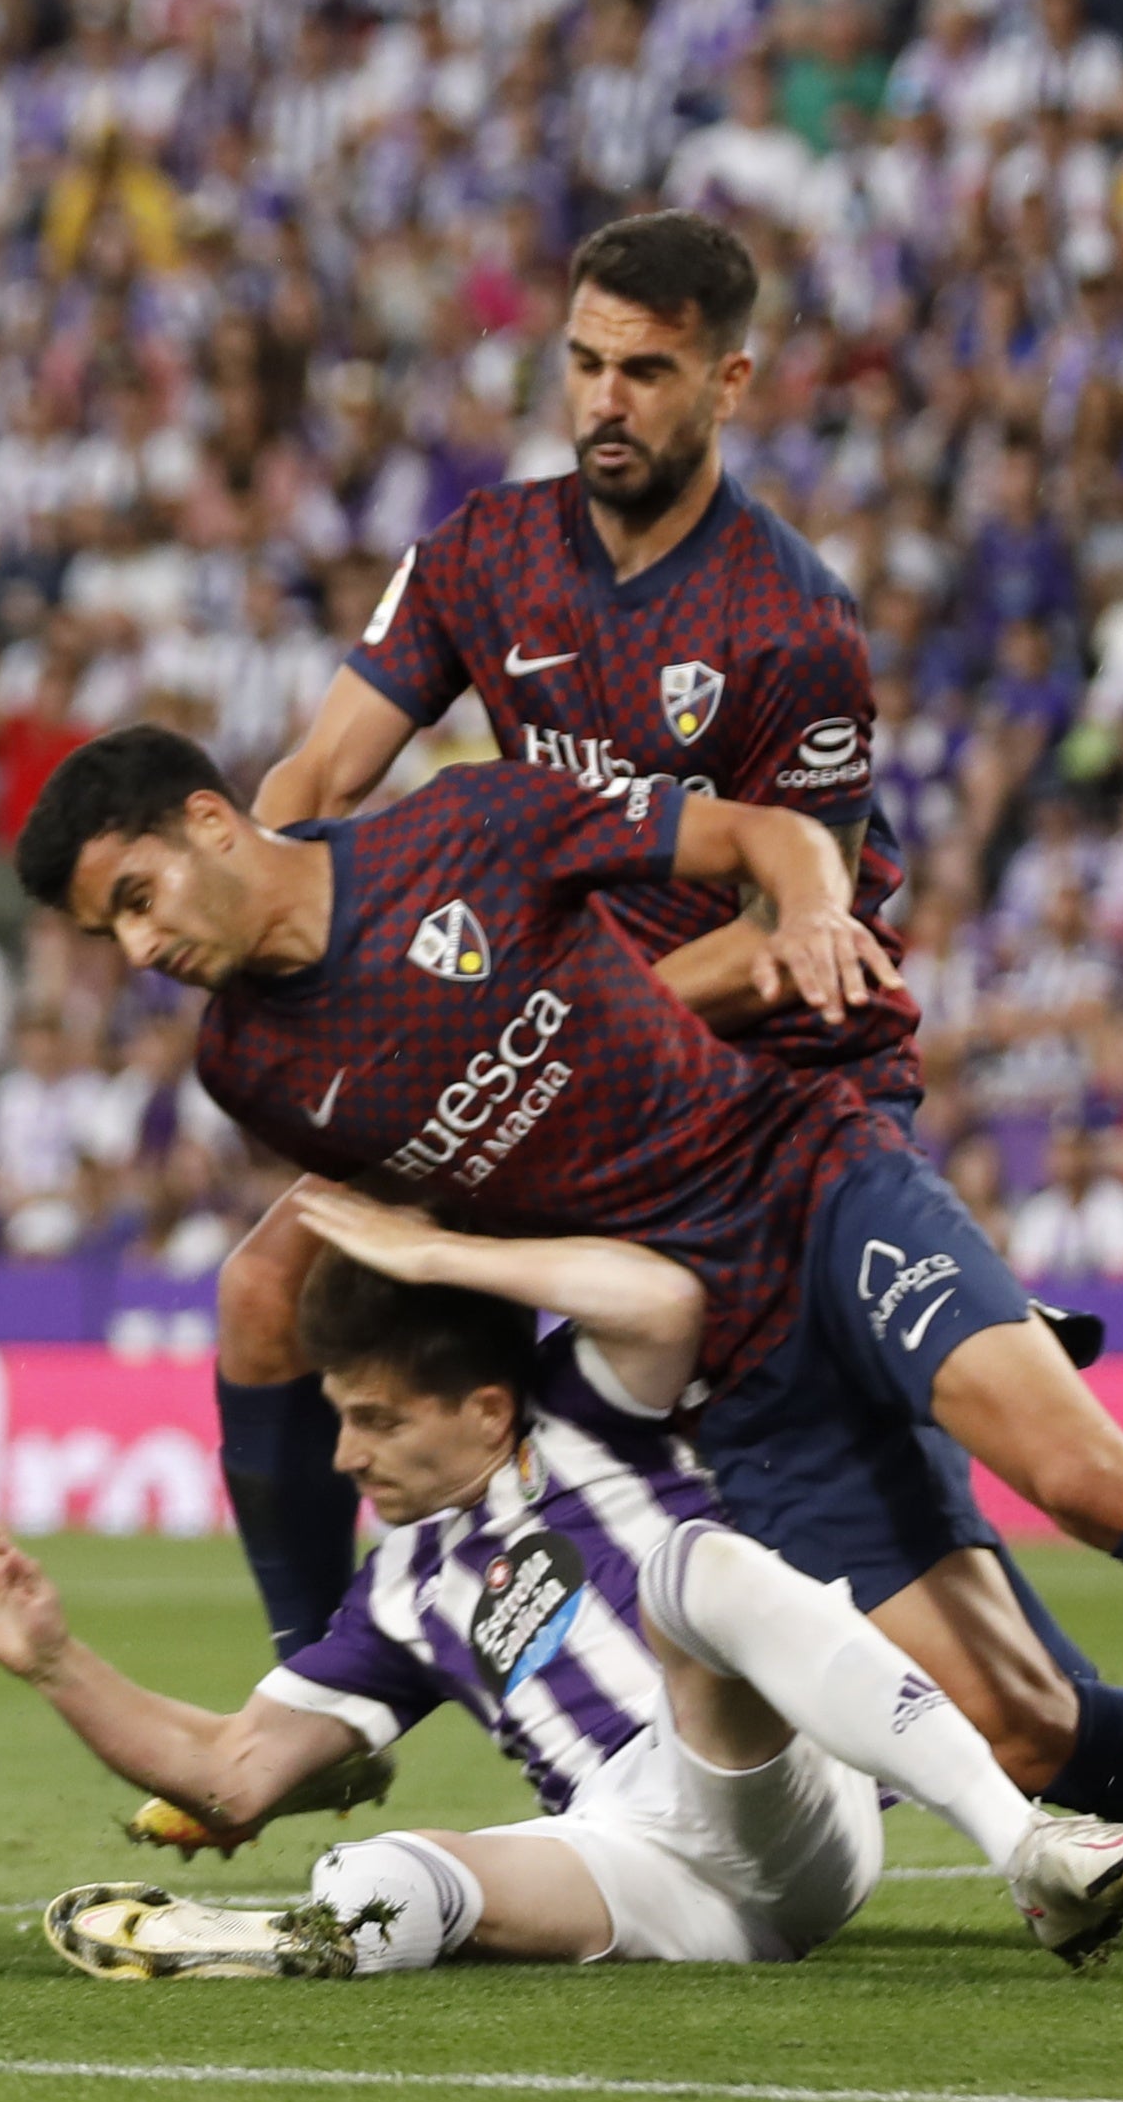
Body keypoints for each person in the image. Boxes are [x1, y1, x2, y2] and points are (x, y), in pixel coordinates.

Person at [10, 727, 1123, 1961]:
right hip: (716, 1344)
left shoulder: (470, 822)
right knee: (1022, 1720)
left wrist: (817, 906)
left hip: (812, 1179)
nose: (137, 946)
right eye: (107, 930)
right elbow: (442, 1230)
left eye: (135, 895)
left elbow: (756, 832)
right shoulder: (252, 1065)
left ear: (212, 823)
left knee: (1074, 1467)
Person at [225, 214, 925, 1662]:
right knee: (263, 1286)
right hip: (537, 1051)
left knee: (914, 1608)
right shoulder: (483, 549)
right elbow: (313, 781)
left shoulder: (790, 619)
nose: (603, 399)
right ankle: (308, 1673)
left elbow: (801, 920)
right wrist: (259, 913)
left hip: (745, 1071)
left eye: (645, 371)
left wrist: (560, 1029)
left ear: (730, 382)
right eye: (584, 363)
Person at [0, 1230, 1123, 1978]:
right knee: (383, 1867)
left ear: (483, 1410)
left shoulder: (592, 1408)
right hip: (637, 1863)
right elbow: (231, 1772)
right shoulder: (403, 1591)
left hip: (768, 1789)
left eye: (373, 1421)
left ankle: (1026, 1849)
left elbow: (665, 1302)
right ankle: (282, 1941)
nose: (345, 1460)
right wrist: (53, 1661)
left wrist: (435, 1253)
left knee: (696, 1573)